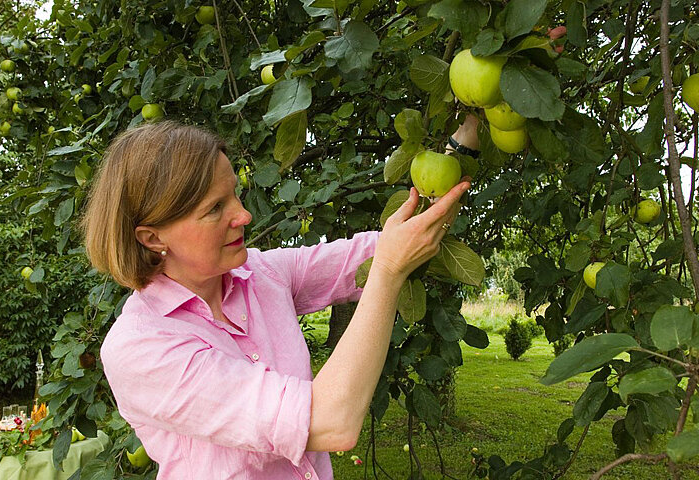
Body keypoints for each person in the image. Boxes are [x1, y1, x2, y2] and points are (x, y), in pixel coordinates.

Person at [82, 120, 472, 479]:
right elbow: (330, 420)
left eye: (233, 193)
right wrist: (388, 271)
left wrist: (461, 142)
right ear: (152, 238)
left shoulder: (261, 274)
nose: (244, 215)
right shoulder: (141, 349)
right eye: (215, 208)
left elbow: (392, 244)